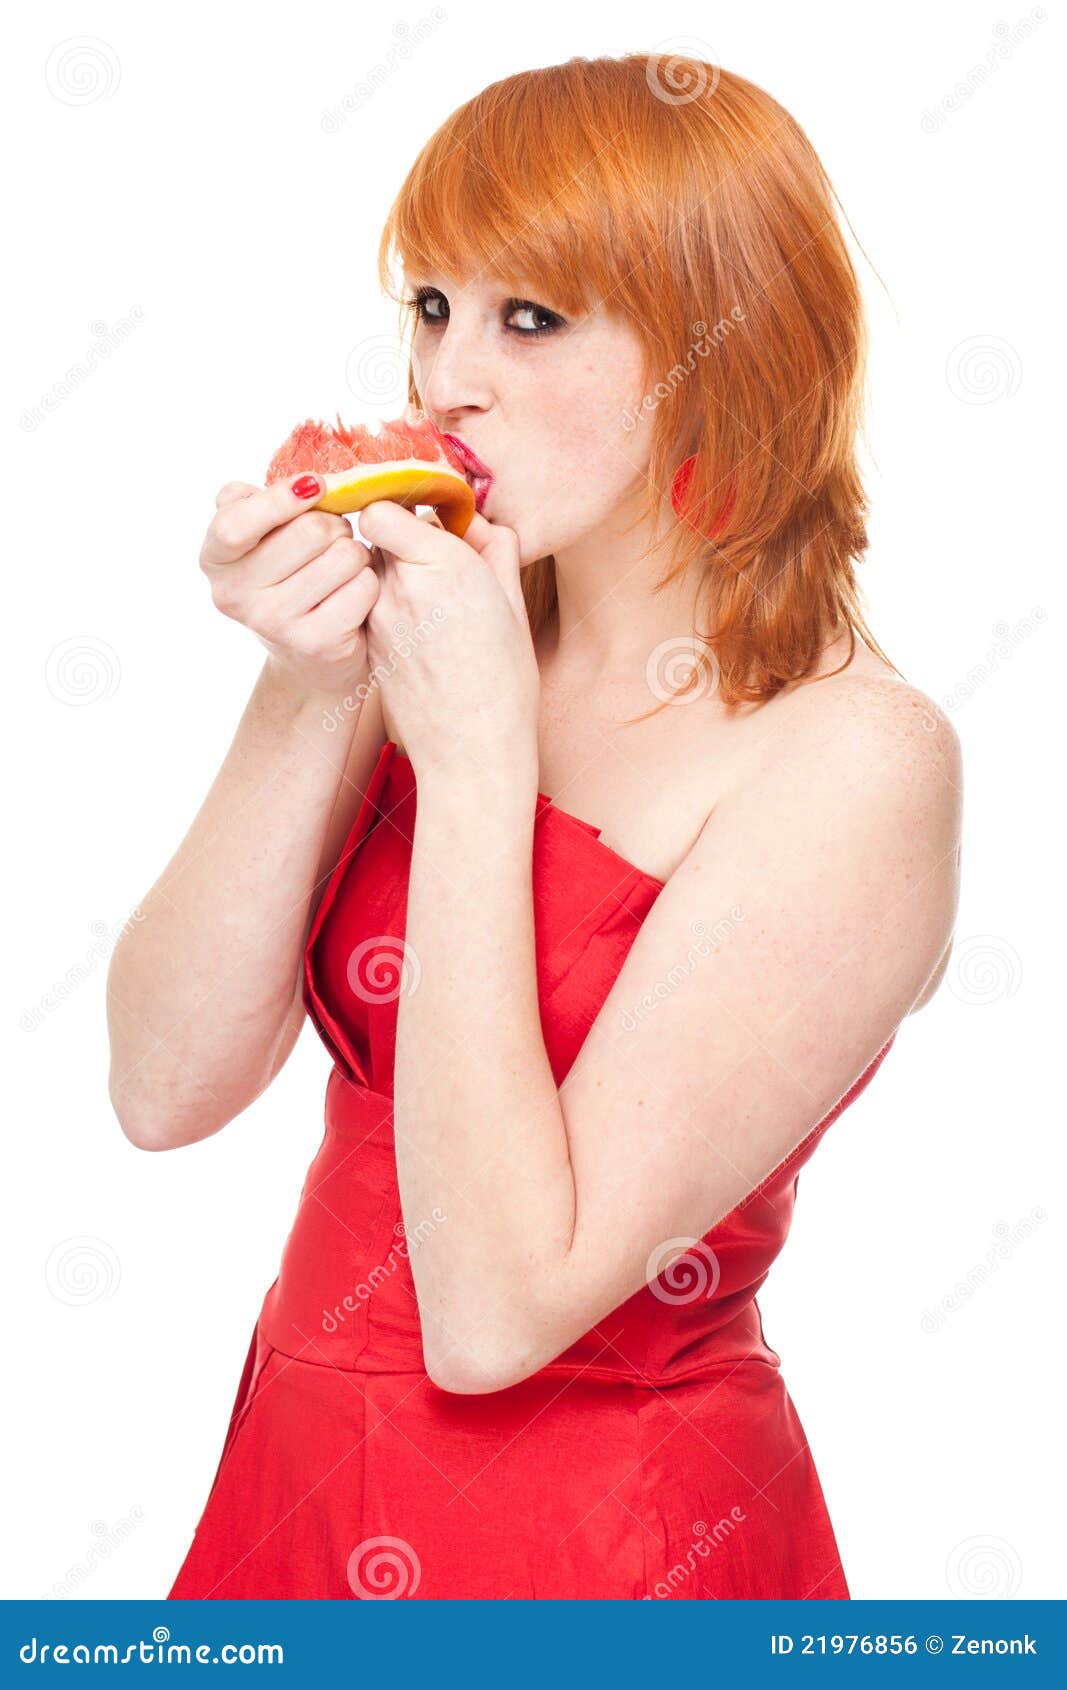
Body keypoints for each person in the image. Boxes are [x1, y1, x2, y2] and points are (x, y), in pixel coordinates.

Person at [107, 53, 962, 1600]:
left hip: (609, 1550)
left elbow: (497, 1310)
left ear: (727, 345)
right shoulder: (454, 612)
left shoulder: (860, 761)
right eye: (432, 304)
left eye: (533, 316)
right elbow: (161, 1087)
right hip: (297, 1482)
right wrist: (310, 686)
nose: (447, 381)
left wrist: (480, 764)